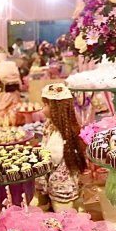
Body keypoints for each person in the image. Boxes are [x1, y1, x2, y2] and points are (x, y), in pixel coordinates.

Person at [40, 83, 86, 211]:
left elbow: (53, 157)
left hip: (61, 185)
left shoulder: (59, 133)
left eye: (45, 105)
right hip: (64, 182)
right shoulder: (59, 127)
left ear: (55, 108)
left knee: (64, 215)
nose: (42, 108)